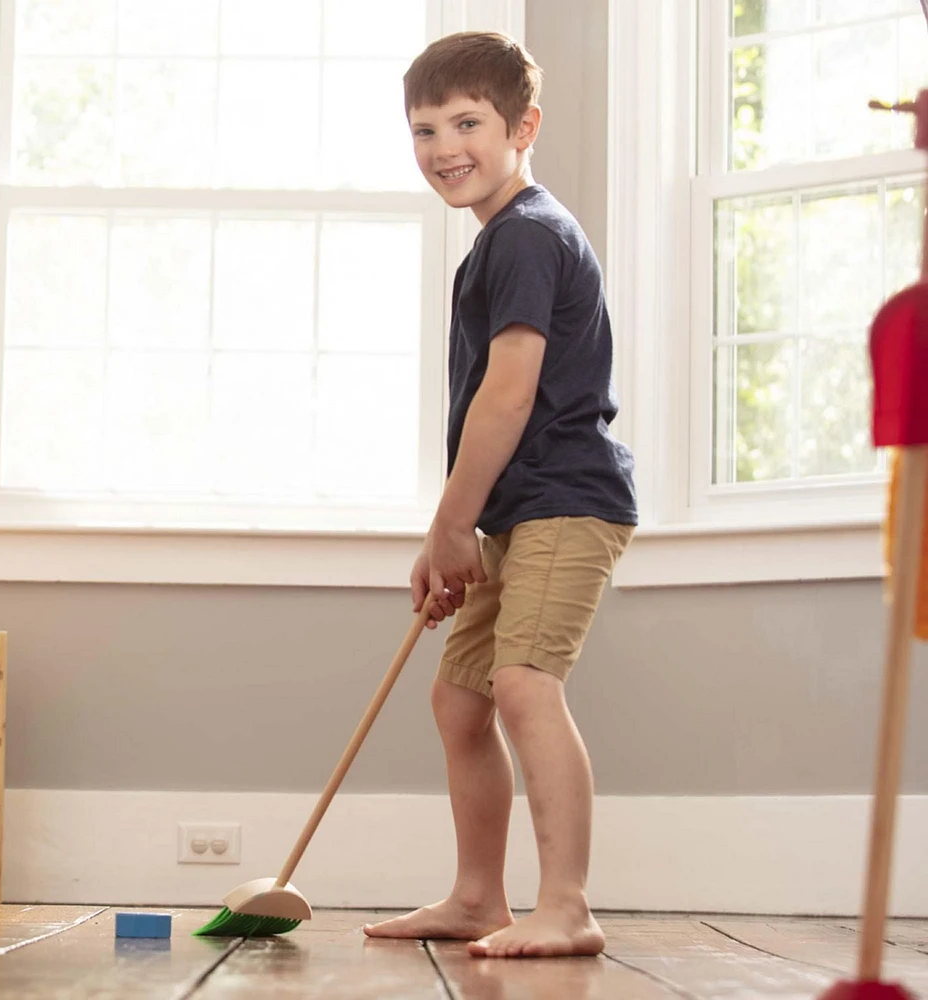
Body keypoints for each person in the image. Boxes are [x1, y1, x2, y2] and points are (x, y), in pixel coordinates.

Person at [363, 30, 638, 959]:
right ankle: (479, 895)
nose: (444, 146)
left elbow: (509, 394)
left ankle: (566, 904)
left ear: (524, 126)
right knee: (460, 700)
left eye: (467, 121)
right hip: (512, 512)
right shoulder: (493, 248)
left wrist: (447, 526)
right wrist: (460, 530)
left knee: (523, 686)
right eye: (424, 128)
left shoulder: (526, 234)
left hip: (568, 498)